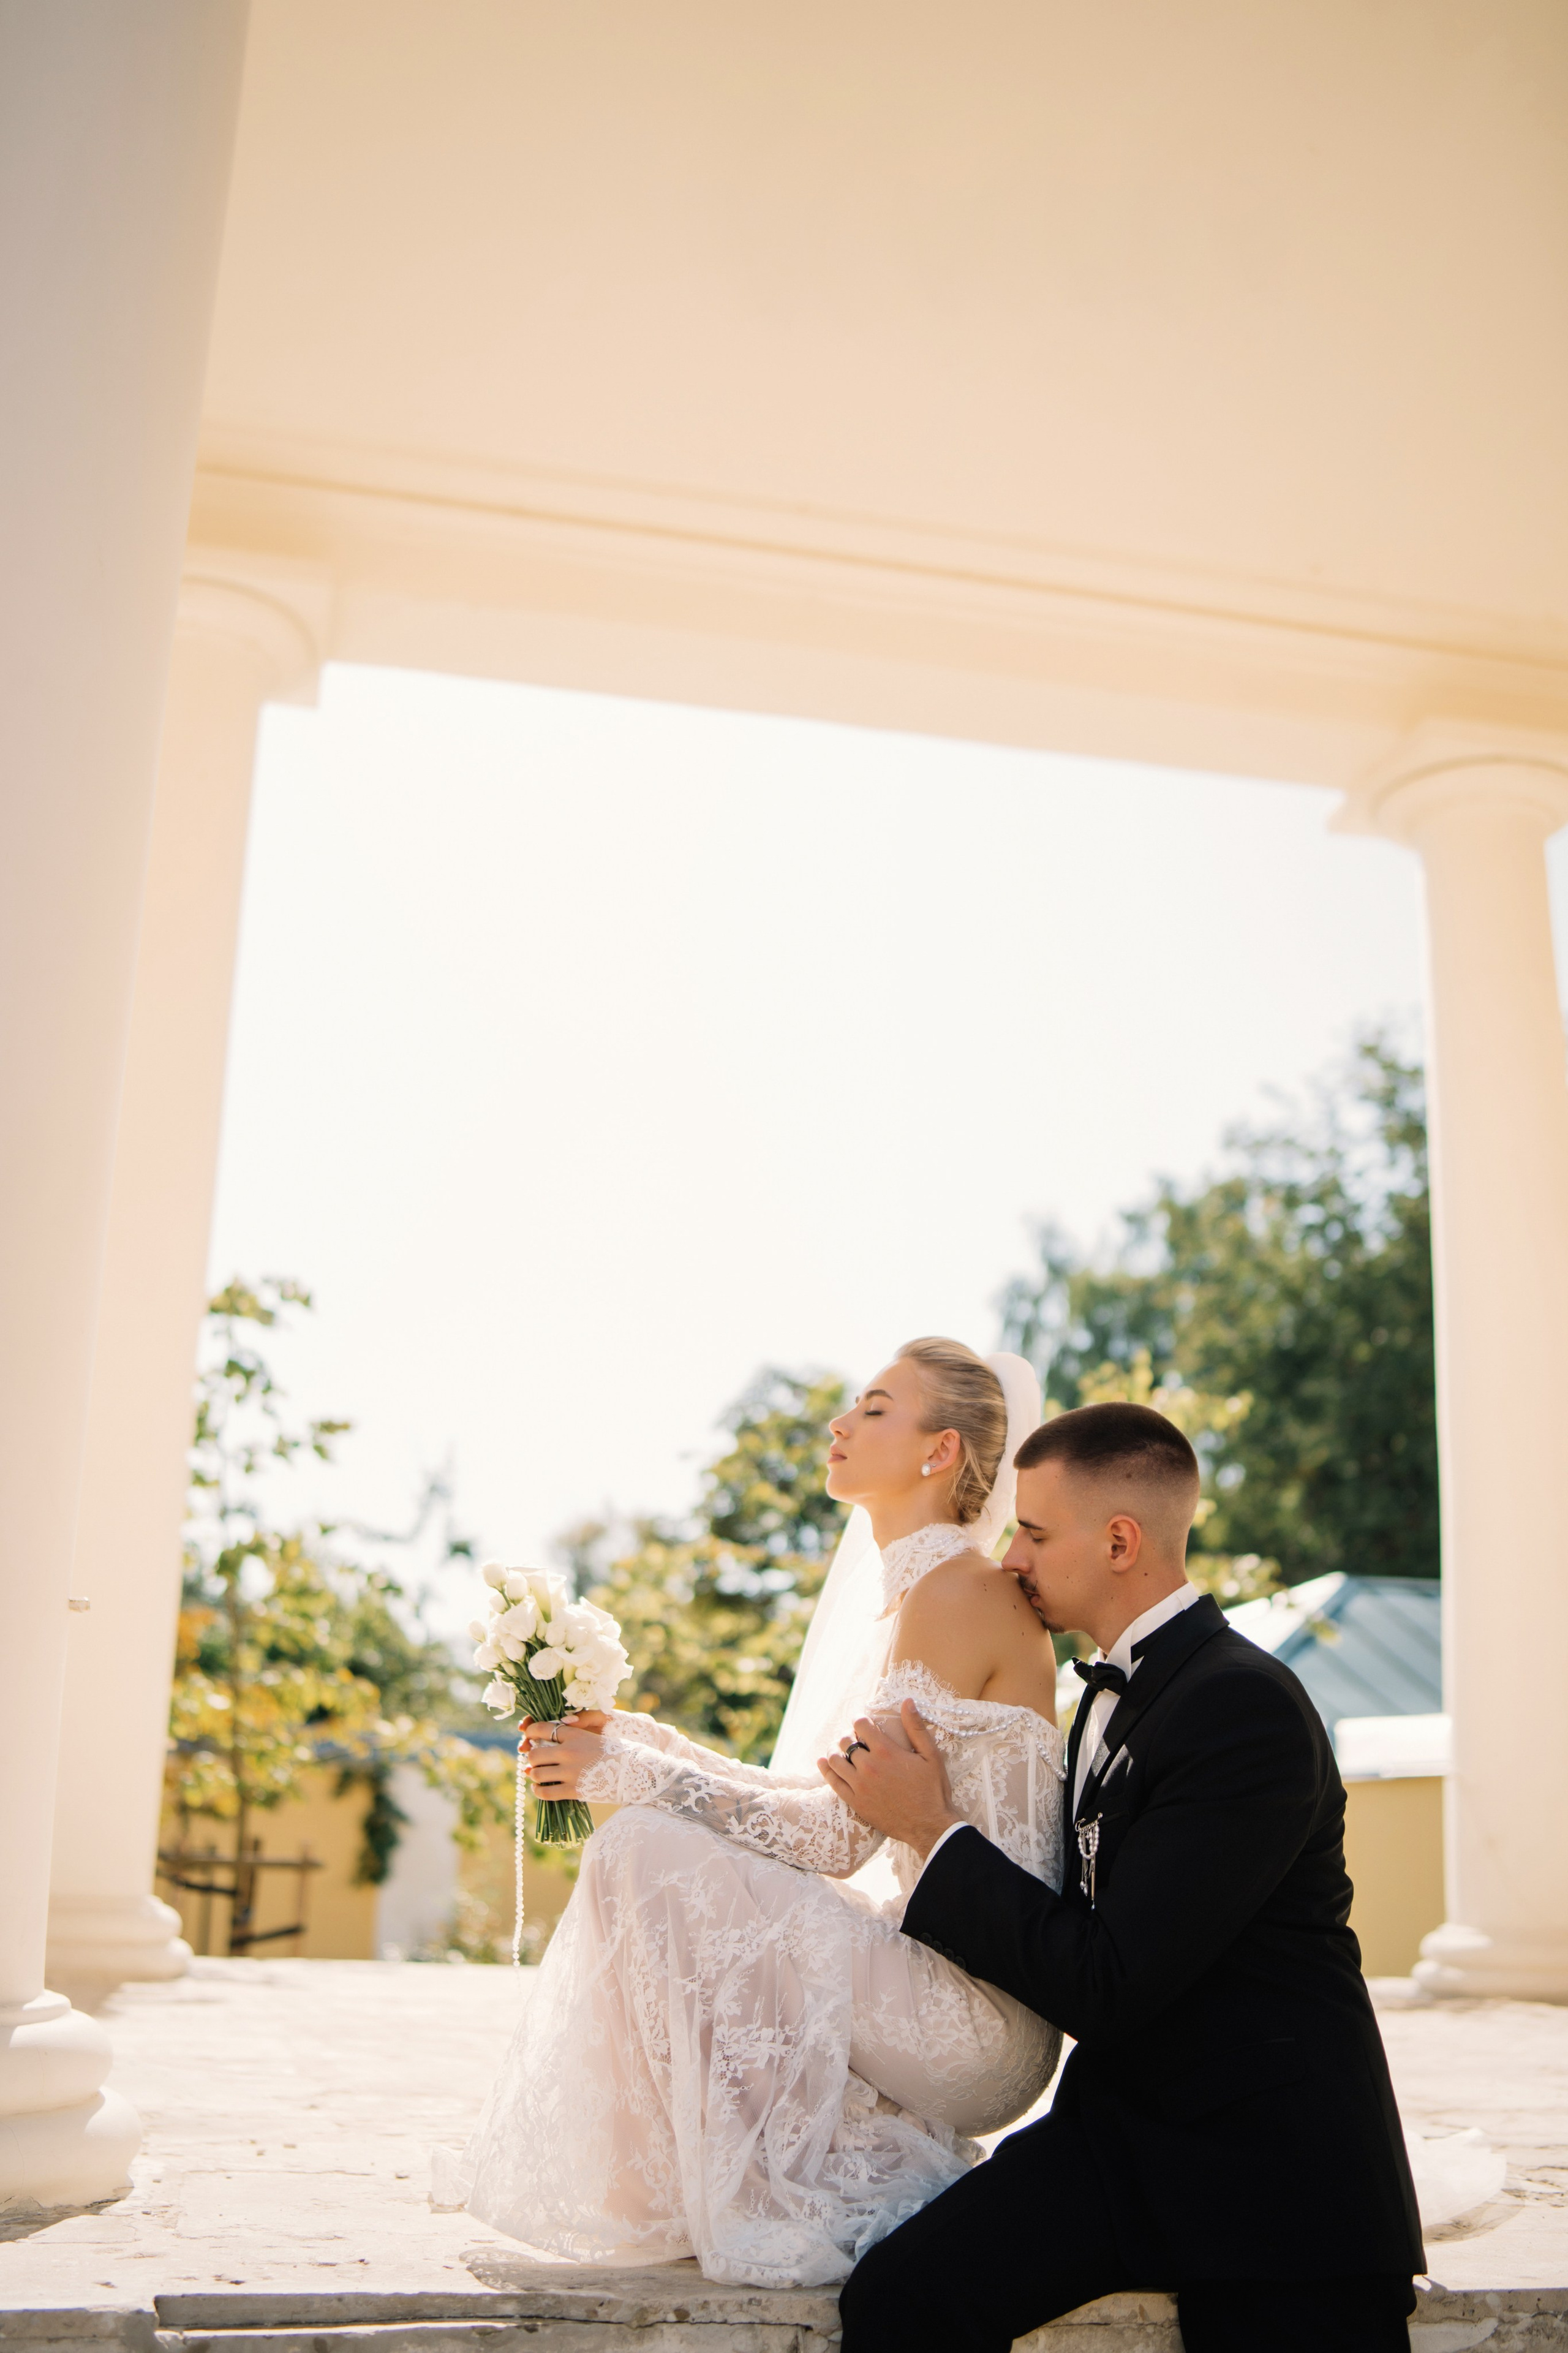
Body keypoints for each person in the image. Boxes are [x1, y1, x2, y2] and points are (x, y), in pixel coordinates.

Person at [439, 1339, 1068, 2288]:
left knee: (645, 1846)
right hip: (941, 1976)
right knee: (655, 1836)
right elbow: (824, 1797)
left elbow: (834, 1839)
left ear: (940, 1452)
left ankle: (737, 2186)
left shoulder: (957, 1592)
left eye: (874, 1408)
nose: (840, 1424)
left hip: (977, 2022)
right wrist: (644, 1742)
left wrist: (633, 1775)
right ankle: (697, 2182)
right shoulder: (926, 1592)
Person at [826, 1399, 1423, 2353]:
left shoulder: (1243, 1705)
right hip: (1127, 2132)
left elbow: (1109, 1979)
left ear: (1118, 1541)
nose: (1010, 1558)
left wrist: (933, 1831)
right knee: (900, 2296)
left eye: (1034, 1532)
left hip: (1272, 2176)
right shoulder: (1109, 1697)